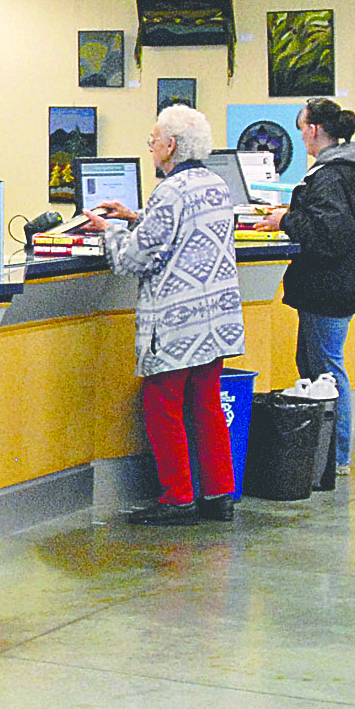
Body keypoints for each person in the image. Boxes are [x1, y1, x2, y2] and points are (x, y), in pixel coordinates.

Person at [83, 104, 246, 525]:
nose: (152, 148)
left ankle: (177, 496)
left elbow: (134, 258)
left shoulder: (170, 192)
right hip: (216, 319)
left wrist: (111, 230)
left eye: (154, 140)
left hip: (178, 321)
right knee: (207, 403)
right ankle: (219, 493)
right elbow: (183, 229)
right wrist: (137, 216)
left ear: (171, 146)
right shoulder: (216, 184)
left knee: (163, 401)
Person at [256, 97, 355, 475]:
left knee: (325, 370)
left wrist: (286, 219)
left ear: (313, 130)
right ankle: (323, 450)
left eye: (302, 129)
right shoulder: (352, 171)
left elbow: (329, 235)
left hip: (330, 287)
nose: (302, 138)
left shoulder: (329, 176)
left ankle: (336, 455)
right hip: (343, 283)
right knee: (314, 365)